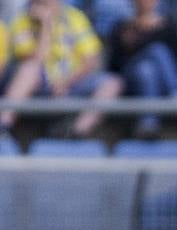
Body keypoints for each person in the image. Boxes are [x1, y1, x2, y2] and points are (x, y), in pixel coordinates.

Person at [0, 0, 122, 138]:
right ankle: (4, 124)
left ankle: (77, 132)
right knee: (29, 69)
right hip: (40, 85)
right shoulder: (21, 21)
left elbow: (91, 59)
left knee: (112, 83)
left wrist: (66, 83)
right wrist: (46, 25)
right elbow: (37, 59)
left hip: (72, 82)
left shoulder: (75, 17)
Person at [107, 0, 177, 139]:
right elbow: (114, 67)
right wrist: (126, 45)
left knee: (147, 69)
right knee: (154, 53)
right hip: (130, 83)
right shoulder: (122, 28)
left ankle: (148, 123)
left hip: (160, 83)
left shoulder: (168, 27)